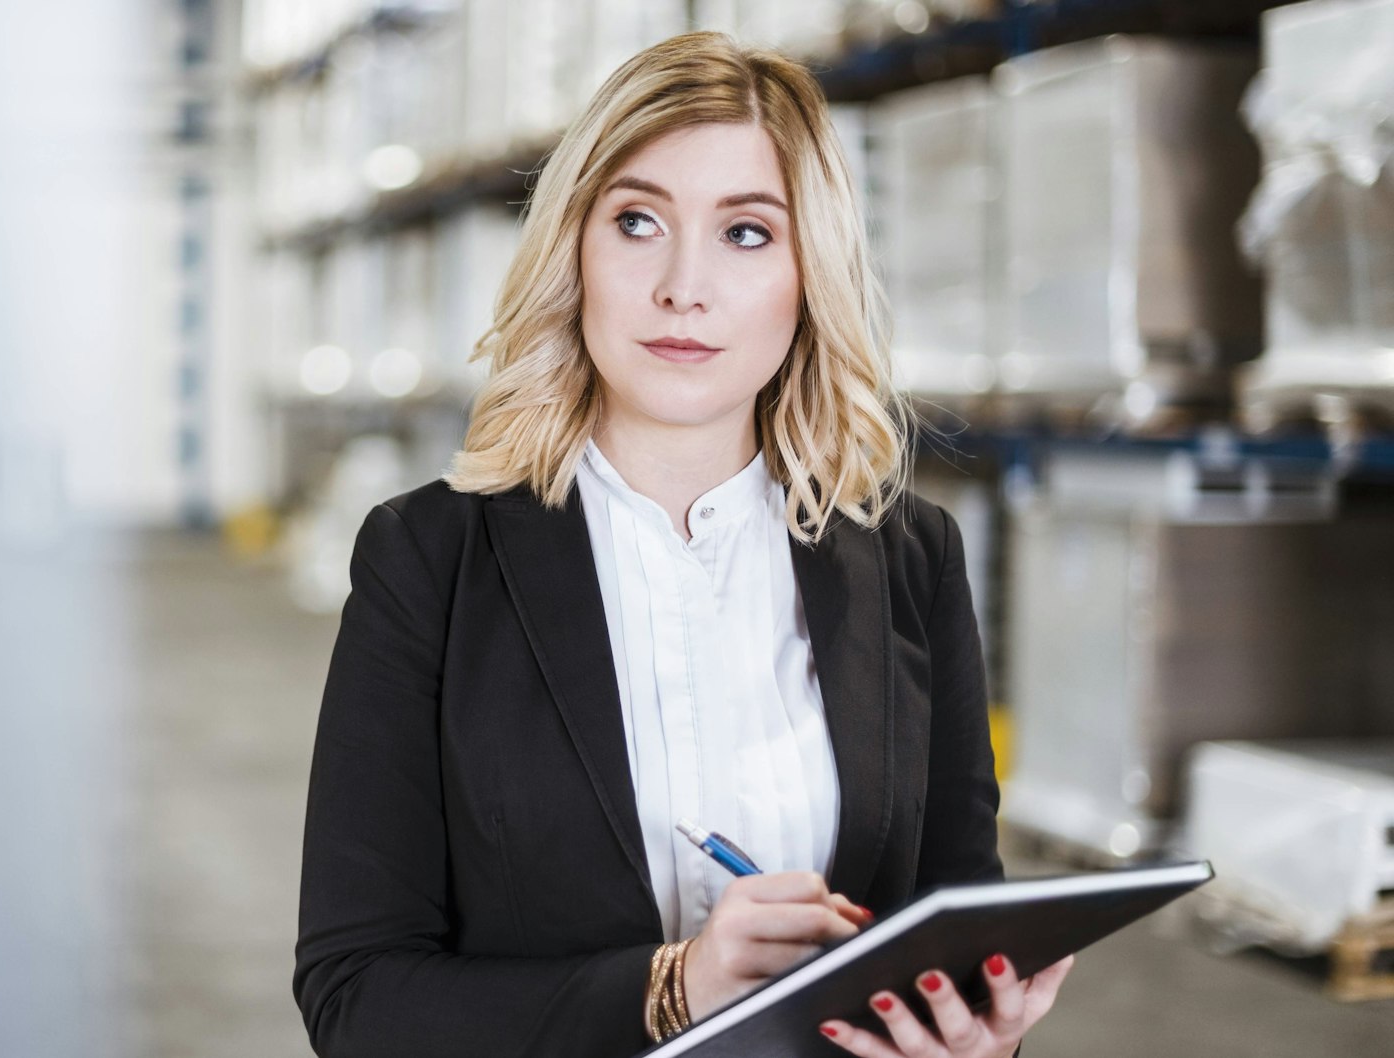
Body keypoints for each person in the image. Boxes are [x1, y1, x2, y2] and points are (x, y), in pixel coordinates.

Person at [292, 30, 1072, 1058]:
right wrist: (673, 988)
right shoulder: (429, 558)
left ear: (808, 273)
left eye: (745, 232)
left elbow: (951, 930)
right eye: (637, 221)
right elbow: (356, 997)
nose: (683, 286)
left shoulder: (909, 558)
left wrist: (978, 1037)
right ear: (573, 248)